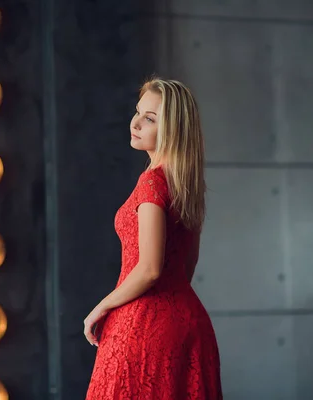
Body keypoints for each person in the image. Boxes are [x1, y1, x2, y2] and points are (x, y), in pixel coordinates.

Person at [84, 77, 222, 399]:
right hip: (188, 322)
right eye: (138, 112)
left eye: (150, 118)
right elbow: (187, 264)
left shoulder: (152, 183)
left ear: (172, 128)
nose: (135, 123)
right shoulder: (186, 185)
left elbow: (149, 269)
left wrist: (101, 308)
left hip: (143, 323)